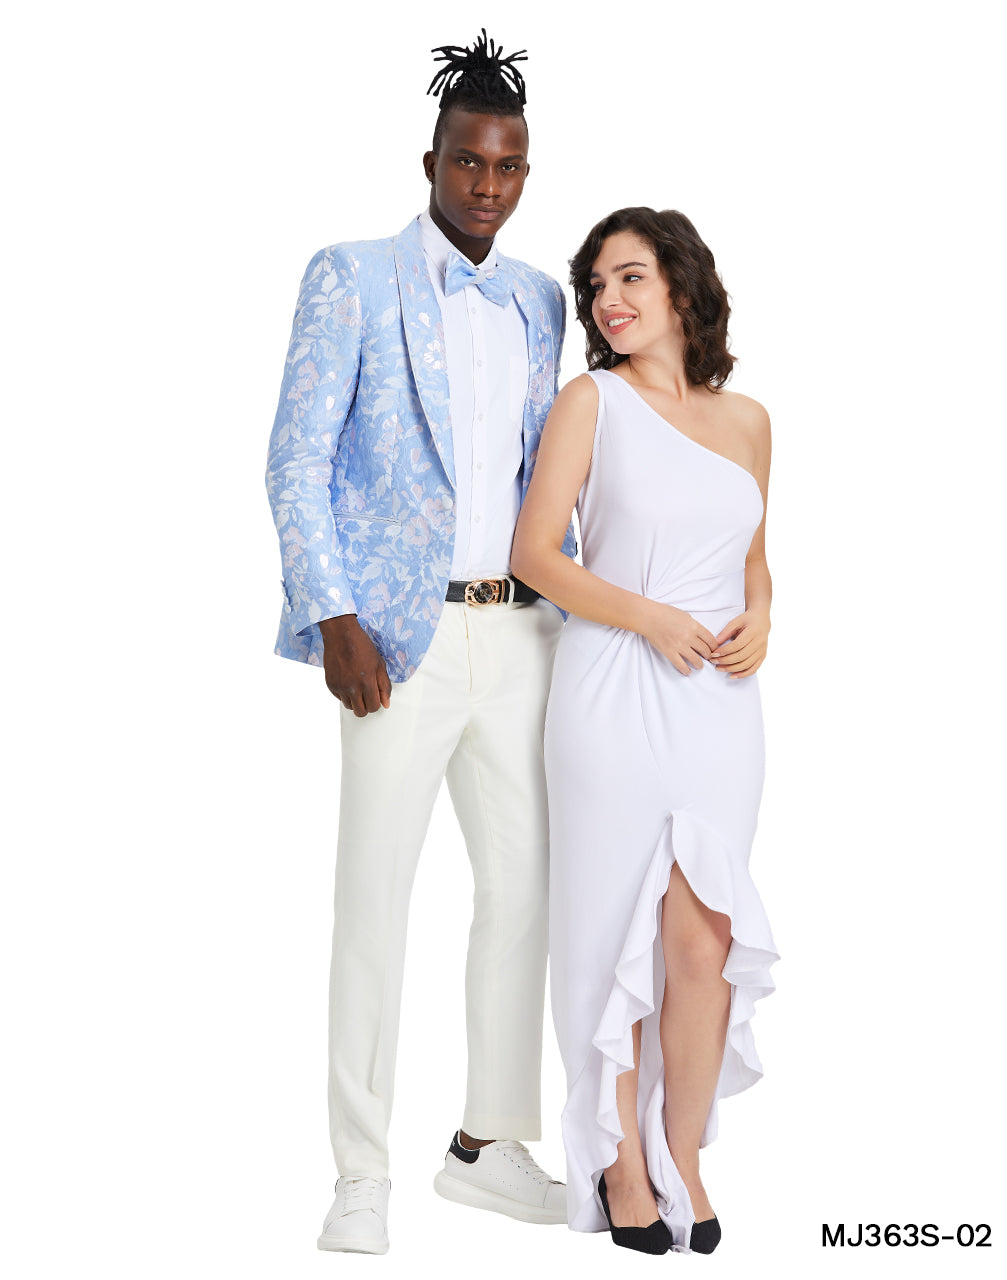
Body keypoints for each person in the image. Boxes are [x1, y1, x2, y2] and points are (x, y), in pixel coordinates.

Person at [265, 31, 574, 1255]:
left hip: (523, 634)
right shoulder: (351, 275)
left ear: (524, 170)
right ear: (431, 160)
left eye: (507, 166)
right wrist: (333, 614)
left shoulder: (541, 298)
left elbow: (550, 471)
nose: (486, 185)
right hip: (397, 637)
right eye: (467, 162)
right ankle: (359, 1170)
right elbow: (296, 458)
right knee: (374, 900)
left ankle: (486, 1144)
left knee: (523, 889)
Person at [511, 207, 779, 1255]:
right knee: (610, 917)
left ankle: (683, 1153)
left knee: (703, 937)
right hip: (614, 686)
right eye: (595, 285)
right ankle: (619, 1160)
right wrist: (650, 616)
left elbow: (754, 558)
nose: (608, 300)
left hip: (719, 704)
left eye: (628, 277)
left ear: (680, 284)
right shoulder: (592, 402)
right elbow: (537, 553)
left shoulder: (748, 419)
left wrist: (762, 617)